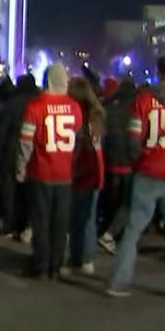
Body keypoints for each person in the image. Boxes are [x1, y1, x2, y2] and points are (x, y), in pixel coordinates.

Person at [106, 55, 165, 300]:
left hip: (148, 171)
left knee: (133, 228)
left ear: (157, 71)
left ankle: (118, 282)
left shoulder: (143, 100)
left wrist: (140, 161)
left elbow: (134, 137)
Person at [17, 64, 82, 279]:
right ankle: (56, 265)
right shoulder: (75, 107)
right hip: (65, 174)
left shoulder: (34, 107)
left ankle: (41, 265)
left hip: (41, 172)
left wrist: (20, 169)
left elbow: (25, 143)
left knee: (41, 221)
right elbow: (79, 141)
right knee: (60, 223)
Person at [0, 75, 39, 238]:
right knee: (32, 190)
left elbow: (3, 131)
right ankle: (28, 225)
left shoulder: (11, 104)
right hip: (37, 151)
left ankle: (11, 224)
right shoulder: (39, 102)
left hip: (12, 151)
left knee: (11, 190)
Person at [67, 77, 105, 275]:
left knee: (77, 218)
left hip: (81, 171)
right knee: (88, 218)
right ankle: (87, 259)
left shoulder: (79, 119)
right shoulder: (98, 117)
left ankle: (76, 258)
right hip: (96, 172)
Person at [98, 80, 138, 254]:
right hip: (128, 163)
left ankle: (105, 230)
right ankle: (111, 235)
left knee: (110, 200)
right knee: (128, 201)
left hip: (109, 162)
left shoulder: (108, 110)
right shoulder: (134, 112)